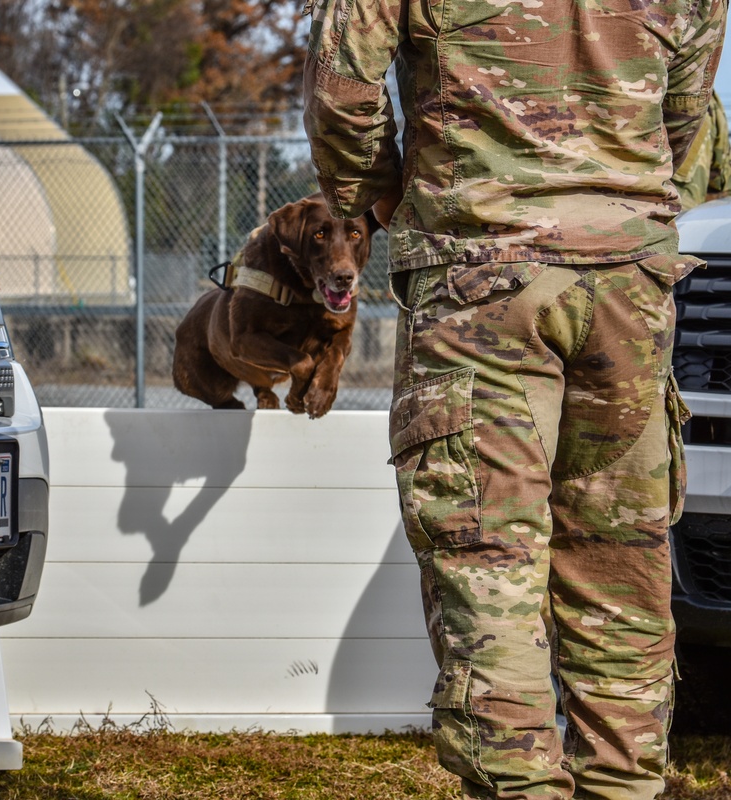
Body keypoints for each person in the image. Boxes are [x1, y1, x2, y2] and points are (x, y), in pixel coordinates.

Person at [303, 1, 726, 798]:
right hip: (629, 280)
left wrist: (388, 199)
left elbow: (343, 93)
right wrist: (612, 207)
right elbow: (685, 106)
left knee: (489, 564)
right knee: (621, 568)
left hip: (480, 274)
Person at [673, 92, 731, 210]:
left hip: (678, 211)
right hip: (677, 212)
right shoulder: (704, 94)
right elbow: (721, 180)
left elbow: (721, 181)